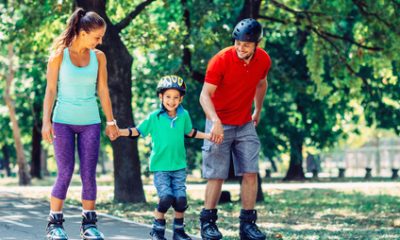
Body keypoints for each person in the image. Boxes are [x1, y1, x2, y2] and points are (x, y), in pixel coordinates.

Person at [41, 8, 118, 240]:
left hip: (91, 122)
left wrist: (111, 121)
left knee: (88, 174)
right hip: (63, 121)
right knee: (64, 172)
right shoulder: (58, 55)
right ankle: (54, 224)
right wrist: (46, 121)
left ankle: (89, 225)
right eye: (97, 37)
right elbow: (51, 90)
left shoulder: (99, 57)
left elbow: (103, 90)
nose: (100, 41)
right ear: (83, 32)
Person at [199, 18, 272, 240]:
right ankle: (208, 224)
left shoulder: (263, 60)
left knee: (250, 172)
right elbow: (204, 95)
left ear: (257, 44)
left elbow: (262, 83)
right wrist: (215, 121)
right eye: (238, 43)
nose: (241, 48)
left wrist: (257, 110)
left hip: (244, 123)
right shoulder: (220, 60)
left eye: (247, 45)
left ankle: (248, 225)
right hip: (218, 122)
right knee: (217, 174)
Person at [118, 75, 210, 240]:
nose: (172, 101)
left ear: (181, 98)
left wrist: (209, 136)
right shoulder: (155, 117)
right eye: (168, 96)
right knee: (166, 197)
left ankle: (179, 232)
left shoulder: (184, 115)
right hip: (160, 167)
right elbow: (138, 131)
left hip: (179, 166)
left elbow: (190, 132)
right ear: (161, 97)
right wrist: (119, 132)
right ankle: (157, 231)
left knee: (181, 200)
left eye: (176, 97)